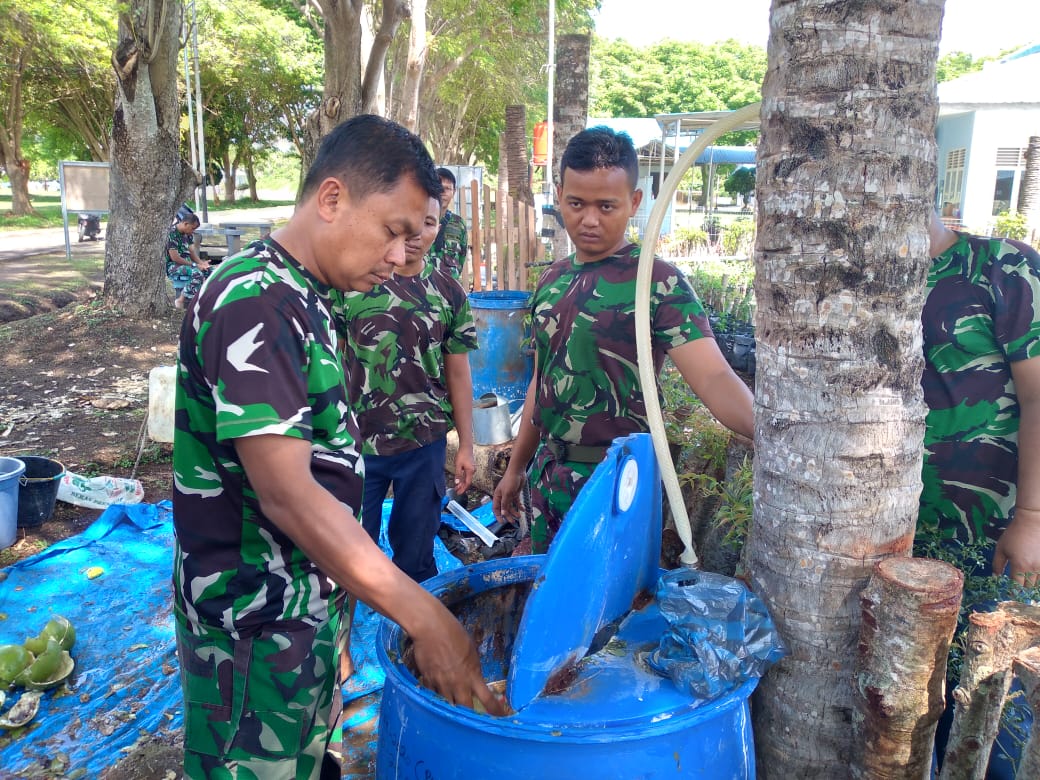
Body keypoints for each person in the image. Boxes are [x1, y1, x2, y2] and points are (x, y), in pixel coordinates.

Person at [172, 115, 505, 779]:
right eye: (393, 231)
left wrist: (334, 617)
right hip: (252, 627)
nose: (401, 257)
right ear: (331, 200)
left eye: (414, 239)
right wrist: (427, 618)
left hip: (300, 612)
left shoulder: (309, 296)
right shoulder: (254, 299)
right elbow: (288, 493)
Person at [492, 126, 755, 553]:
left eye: (606, 206)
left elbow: (714, 379)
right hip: (549, 480)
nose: (589, 219)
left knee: (612, 610)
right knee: (551, 597)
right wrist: (516, 468)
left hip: (618, 483)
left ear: (634, 202)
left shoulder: (656, 281)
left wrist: (773, 433)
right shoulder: (551, 281)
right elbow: (540, 387)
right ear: (559, 195)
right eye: (576, 203)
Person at [922, 212, 1040, 779]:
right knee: (912, 705)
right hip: (899, 543)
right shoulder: (858, 278)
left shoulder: (1000, 268)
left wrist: (1033, 516)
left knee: (991, 701)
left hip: (992, 534)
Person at [337, 194, 478, 582]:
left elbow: (459, 374)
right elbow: (327, 361)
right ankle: (341, 640)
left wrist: (466, 444)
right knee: (347, 554)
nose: (417, 234)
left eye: (429, 223)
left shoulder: (448, 292)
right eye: (409, 222)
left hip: (424, 444)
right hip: (357, 442)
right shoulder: (353, 284)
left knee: (416, 554)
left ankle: (414, 634)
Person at [164, 213, 210, 309]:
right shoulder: (172, 234)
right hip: (174, 265)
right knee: (197, 273)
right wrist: (195, 265)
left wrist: (202, 263)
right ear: (185, 224)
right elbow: (175, 258)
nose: (193, 231)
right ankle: (181, 300)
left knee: (210, 271)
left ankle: (205, 299)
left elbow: (192, 253)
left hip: (187, 264)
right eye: (192, 228)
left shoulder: (188, 235)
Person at [429, 167, 468, 279]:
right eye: (439, 187)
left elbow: (462, 258)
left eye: (447, 188)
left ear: (454, 192)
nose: (443, 192)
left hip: (449, 288)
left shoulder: (458, 224)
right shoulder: (419, 220)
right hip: (423, 289)